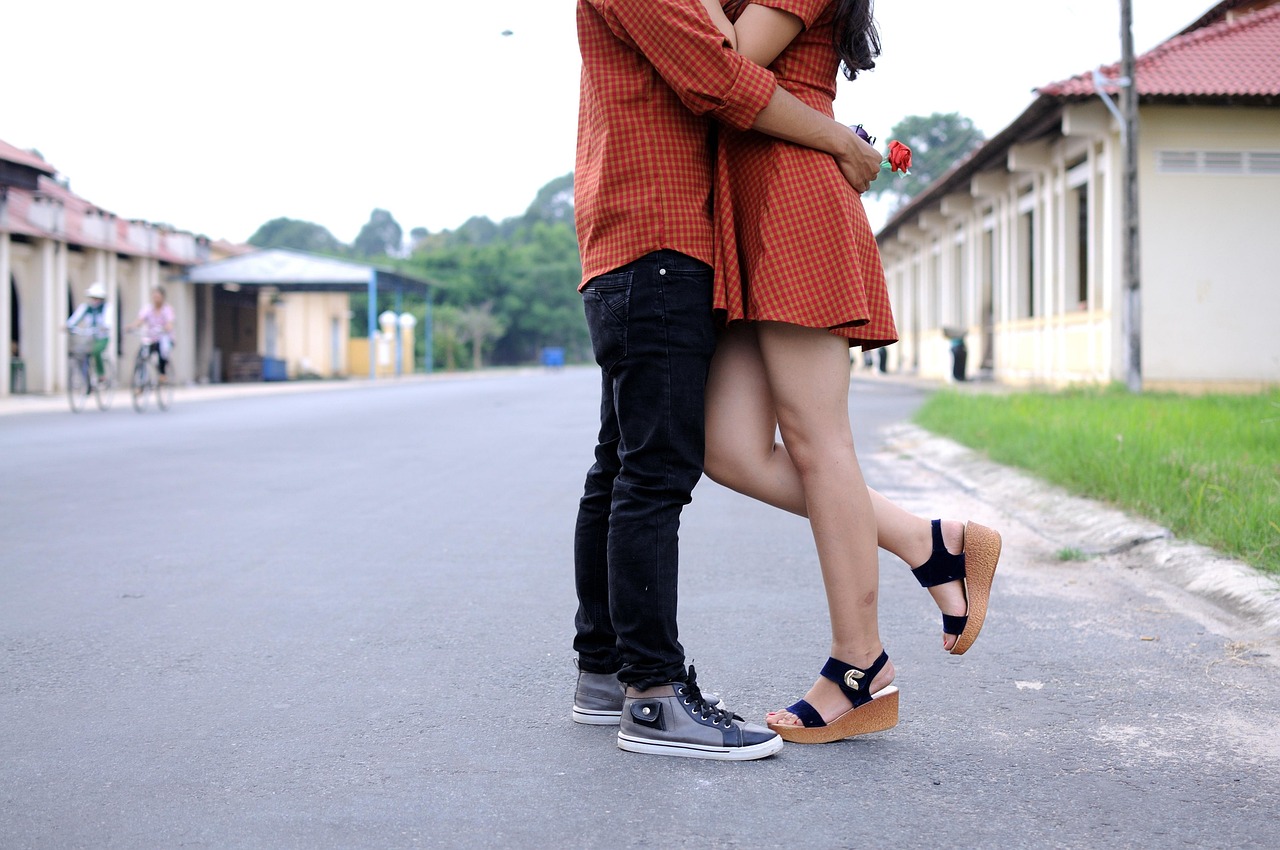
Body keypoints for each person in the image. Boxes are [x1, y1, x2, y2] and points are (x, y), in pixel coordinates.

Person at [572, 0, 884, 761]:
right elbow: (719, 73)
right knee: (652, 471)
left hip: (664, 234)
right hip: (660, 233)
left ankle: (607, 674)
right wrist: (841, 140)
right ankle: (651, 694)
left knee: (624, 464)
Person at [697, 0, 1002, 743]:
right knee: (727, 448)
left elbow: (729, 57)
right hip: (750, 203)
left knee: (817, 438)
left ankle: (858, 664)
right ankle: (929, 543)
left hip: (793, 201)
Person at [127, 286, 176, 384]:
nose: (156, 299)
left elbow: (170, 323)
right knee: (141, 355)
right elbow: (140, 320)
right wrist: (131, 327)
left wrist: (165, 328)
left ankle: (162, 374)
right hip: (151, 338)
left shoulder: (167, 309)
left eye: (158, 297)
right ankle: (140, 382)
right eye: (154, 297)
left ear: (162, 297)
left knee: (162, 351)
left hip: (163, 337)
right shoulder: (148, 309)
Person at [66, 282, 111, 383]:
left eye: (97, 298)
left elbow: (108, 321)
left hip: (101, 337)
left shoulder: (106, 308)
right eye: (93, 298)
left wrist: (104, 327)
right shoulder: (86, 307)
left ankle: (101, 374)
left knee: (96, 352)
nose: (94, 300)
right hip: (89, 336)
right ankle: (85, 379)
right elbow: (75, 318)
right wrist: (68, 325)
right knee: (79, 353)